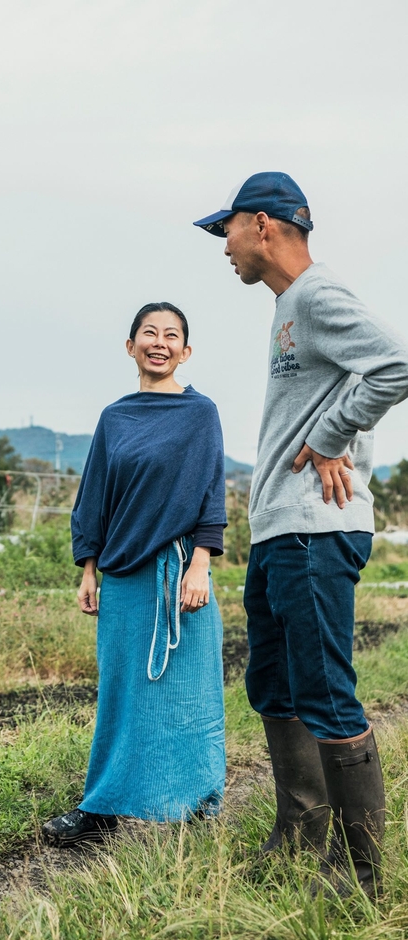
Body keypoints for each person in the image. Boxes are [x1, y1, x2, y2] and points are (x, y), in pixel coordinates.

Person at [194, 172, 408, 897]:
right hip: (282, 528)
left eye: (225, 229)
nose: (221, 245)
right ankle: (297, 836)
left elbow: (396, 364)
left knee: (323, 692)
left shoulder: (316, 295)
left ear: (261, 225)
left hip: (317, 531)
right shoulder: (288, 309)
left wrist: (327, 436)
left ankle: (358, 875)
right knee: (274, 684)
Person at [42, 302, 228, 846]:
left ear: (185, 351)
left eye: (172, 335)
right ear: (131, 347)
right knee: (121, 694)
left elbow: (211, 495)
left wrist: (202, 565)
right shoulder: (115, 417)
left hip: (181, 575)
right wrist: (88, 569)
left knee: (191, 696)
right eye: (150, 333)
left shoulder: (201, 414)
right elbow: (93, 498)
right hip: (123, 575)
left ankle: (198, 807)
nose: (160, 342)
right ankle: (101, 809)